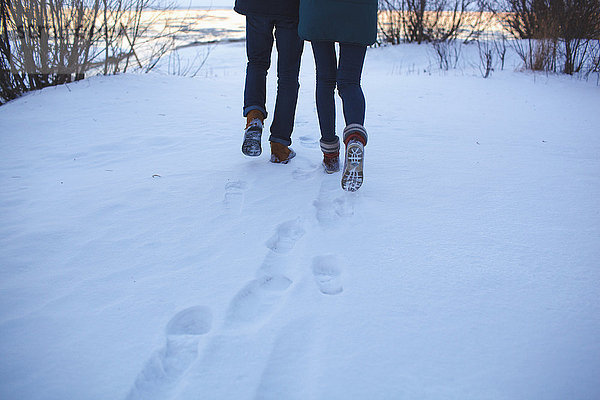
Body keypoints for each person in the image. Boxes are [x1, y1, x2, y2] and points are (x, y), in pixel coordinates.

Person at [298, 0, 378, 191]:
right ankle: (355, 138)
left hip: (319, 10)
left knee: (325, 81)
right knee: (350, 82)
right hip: (357, 11)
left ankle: (330, 156)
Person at [235, 0, 304, 164]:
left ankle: (254, 118)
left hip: (256, 6)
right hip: (291, 9)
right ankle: (279, 147)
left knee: (256, 63)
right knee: (288, 75)